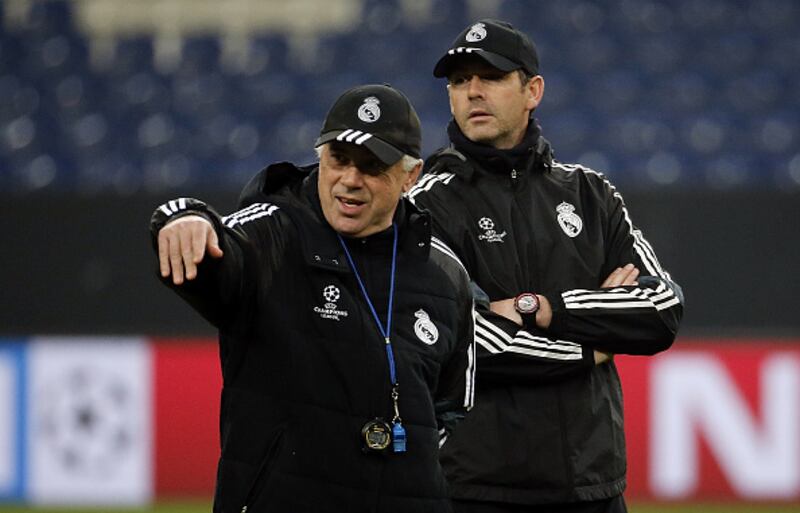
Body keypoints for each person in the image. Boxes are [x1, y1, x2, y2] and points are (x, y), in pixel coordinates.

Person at [150, 84, 476, 513]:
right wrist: (184, 217)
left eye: (373, 166)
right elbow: (220, 256)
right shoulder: (274, 234)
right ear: (321, 158)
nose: (351, 180)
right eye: (339, 160)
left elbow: (453, 407)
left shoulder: (445, 273)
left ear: (410, 176)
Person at [408, 19, 684, 513]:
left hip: (593, 486)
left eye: (489, 77)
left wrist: (542, 306)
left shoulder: (590, 193)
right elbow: (466, 341)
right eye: (458, 80)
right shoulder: (426, 206)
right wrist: (593, 344)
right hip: (478, 488)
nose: (471, 92)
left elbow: (660, 308)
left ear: (532, 90)